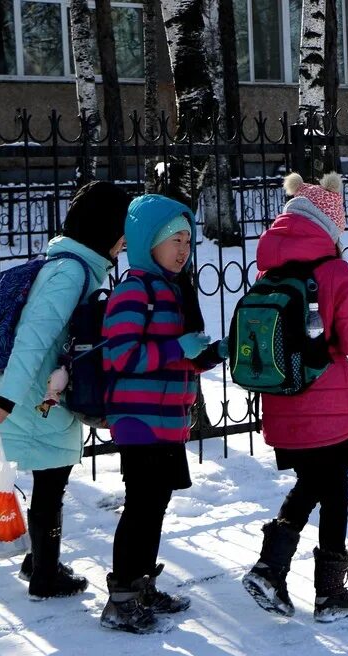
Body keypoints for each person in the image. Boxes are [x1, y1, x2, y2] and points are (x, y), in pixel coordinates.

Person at [0, 181, 131, 600]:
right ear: (103, 228)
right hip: (36, 397)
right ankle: (44, 575)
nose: (125, 240)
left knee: (51, 481)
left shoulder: (78, 266)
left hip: (44, 392)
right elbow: (33, 337)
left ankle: (40, 562)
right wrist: (9, 397)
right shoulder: (69, 273)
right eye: (120, 228)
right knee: (52, 484)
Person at [240, 172, 348, 623]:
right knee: (330, 488)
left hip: (281, 401)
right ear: (331, 228)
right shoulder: (333, 270)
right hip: (327, 404)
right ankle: (294, 578)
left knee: (320, 485)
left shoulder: (268, 271)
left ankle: (292, 576)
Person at [98, 194, 228, 633]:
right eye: (174, 239)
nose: (182, 249)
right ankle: (121, 600)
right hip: (138, 419)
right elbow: (120, 356)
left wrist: (208, 355)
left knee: (156, 504)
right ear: (146, 242)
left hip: (168, 419)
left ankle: (142, 583)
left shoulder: (174, 291)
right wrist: (178, 348)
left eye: (188, 242)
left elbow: (180, 358)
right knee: (140, 506)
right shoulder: (133, 290)